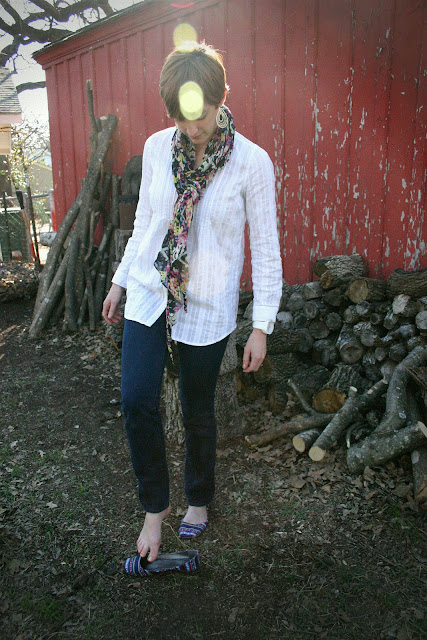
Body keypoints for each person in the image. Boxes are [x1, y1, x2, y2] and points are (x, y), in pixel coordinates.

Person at [102, 42, 282, 566]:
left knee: (197, 410)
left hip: (206, 307)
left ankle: (199, 498)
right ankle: (154, 509)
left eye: (200, 116)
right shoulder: (158, 147)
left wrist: (261, 325)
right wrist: (119, 281)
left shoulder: (251, 162)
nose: (192, 128)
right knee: (136, 400)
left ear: (222, 97)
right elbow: (145, 222)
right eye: (181, 118)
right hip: (150, 290)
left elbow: (265, 247)